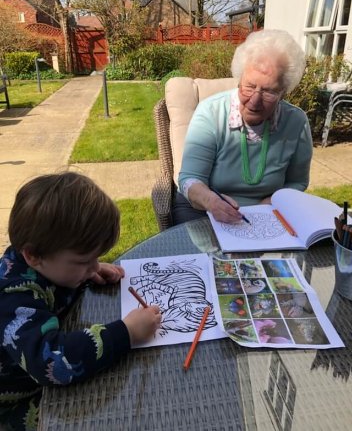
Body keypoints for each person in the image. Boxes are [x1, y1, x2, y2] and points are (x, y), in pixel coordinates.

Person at [0, 172, 161, 430]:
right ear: (33, 255)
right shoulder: (14, 298)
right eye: (84, 261)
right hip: (16, 403)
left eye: (96, 258)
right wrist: (126, 332)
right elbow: (51, 361)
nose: (94, 266)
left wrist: (88, 273)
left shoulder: (45, 264)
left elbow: (55, 282)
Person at [174, 29, 313, 225]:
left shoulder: (296, 122)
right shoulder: (210, 113)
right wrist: (211, 201)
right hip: (205, 209)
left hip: (271, 211)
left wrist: (272, 203)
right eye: (249, 86)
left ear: (283, 92)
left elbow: (298, 182)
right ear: (239, 79)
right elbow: (190, 178)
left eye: (268, 91)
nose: (254, 101)